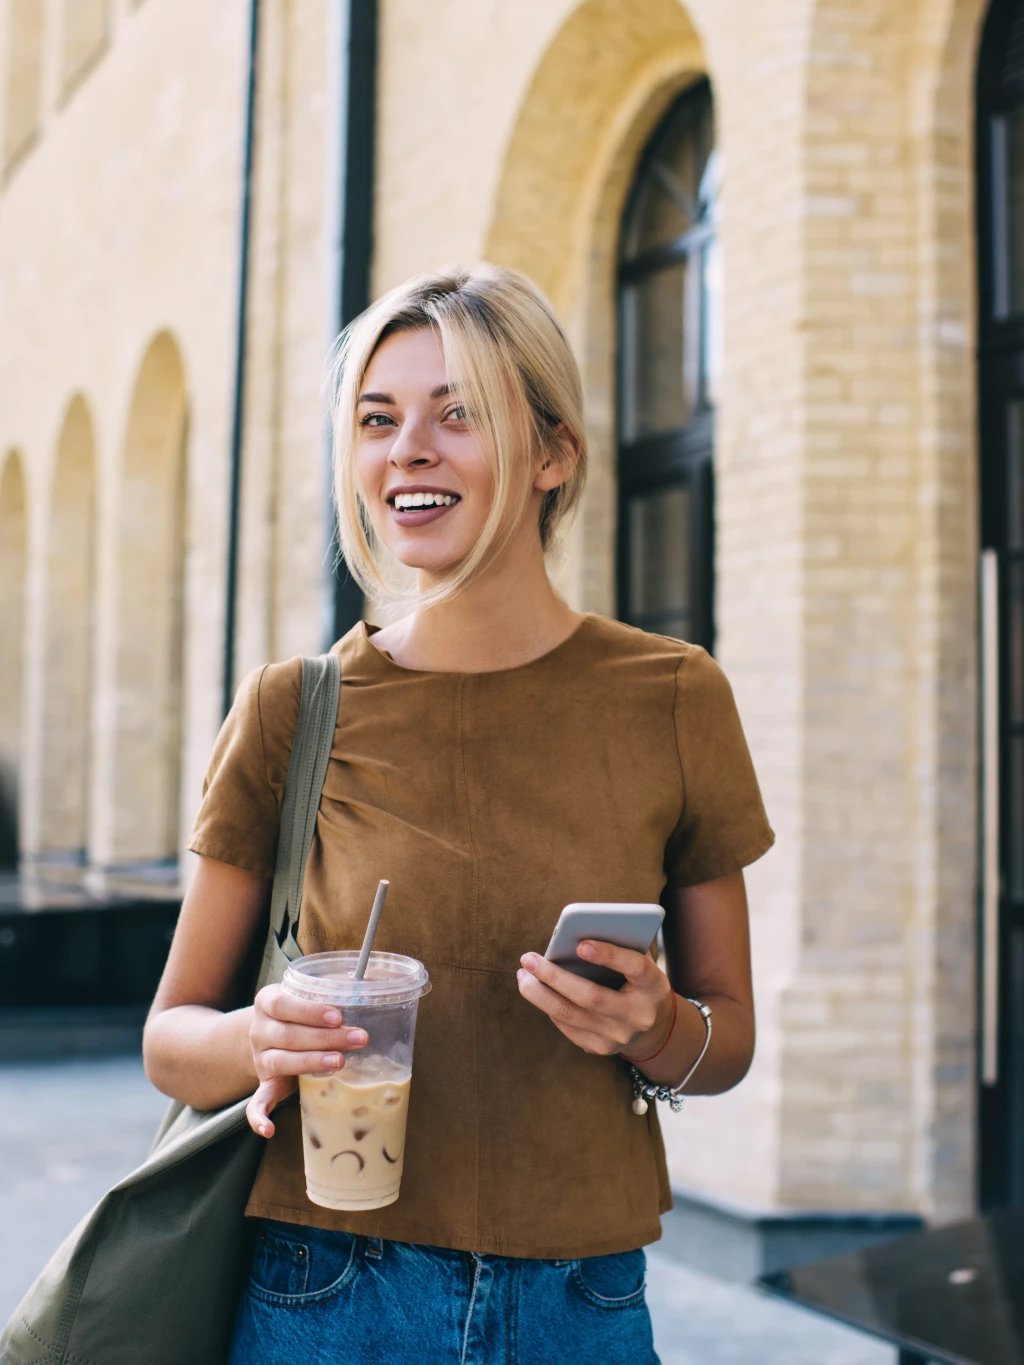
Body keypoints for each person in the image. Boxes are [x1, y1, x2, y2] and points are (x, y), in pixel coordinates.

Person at [142, 264, 774, 1365]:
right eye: (377, 420)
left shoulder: (675, 697)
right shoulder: (293, 709)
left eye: (458, 413)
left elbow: (725, 1044)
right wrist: (260, 1037)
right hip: (325, 1291)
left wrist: (655, 1028)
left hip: (582, 1301)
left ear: (553, 452)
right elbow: (170, 1038)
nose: (408, 450)